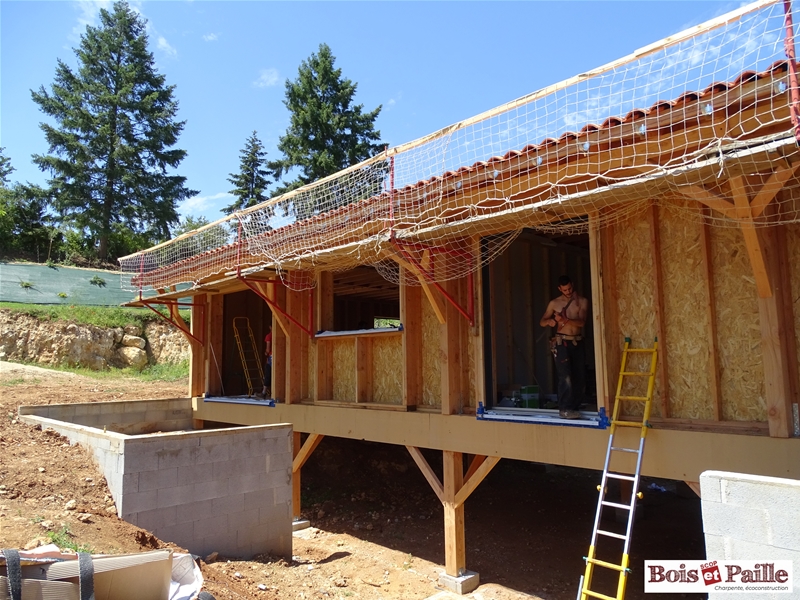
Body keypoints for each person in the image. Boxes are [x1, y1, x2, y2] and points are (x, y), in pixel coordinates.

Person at [539, 276, 589, 419]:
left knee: (579, 375)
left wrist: (565, 320)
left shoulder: (582, 301)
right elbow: (542, 321)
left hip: (577, 341)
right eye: (565, 290)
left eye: (570, 288)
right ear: (560, 289)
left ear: (572, 285)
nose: (568, 292)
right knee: (565, 376)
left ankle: (575, 406)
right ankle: (565, 408)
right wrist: (549, 322)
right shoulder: (554, 303)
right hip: (562, 342)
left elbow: (582, 322)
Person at [260, 324, 272, 399]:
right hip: (278, 357)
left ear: (270, 327)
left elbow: (268, 349)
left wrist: (266, 353)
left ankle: (264, 392)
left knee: (268, 373)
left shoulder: (269, 336)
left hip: (271, 357)